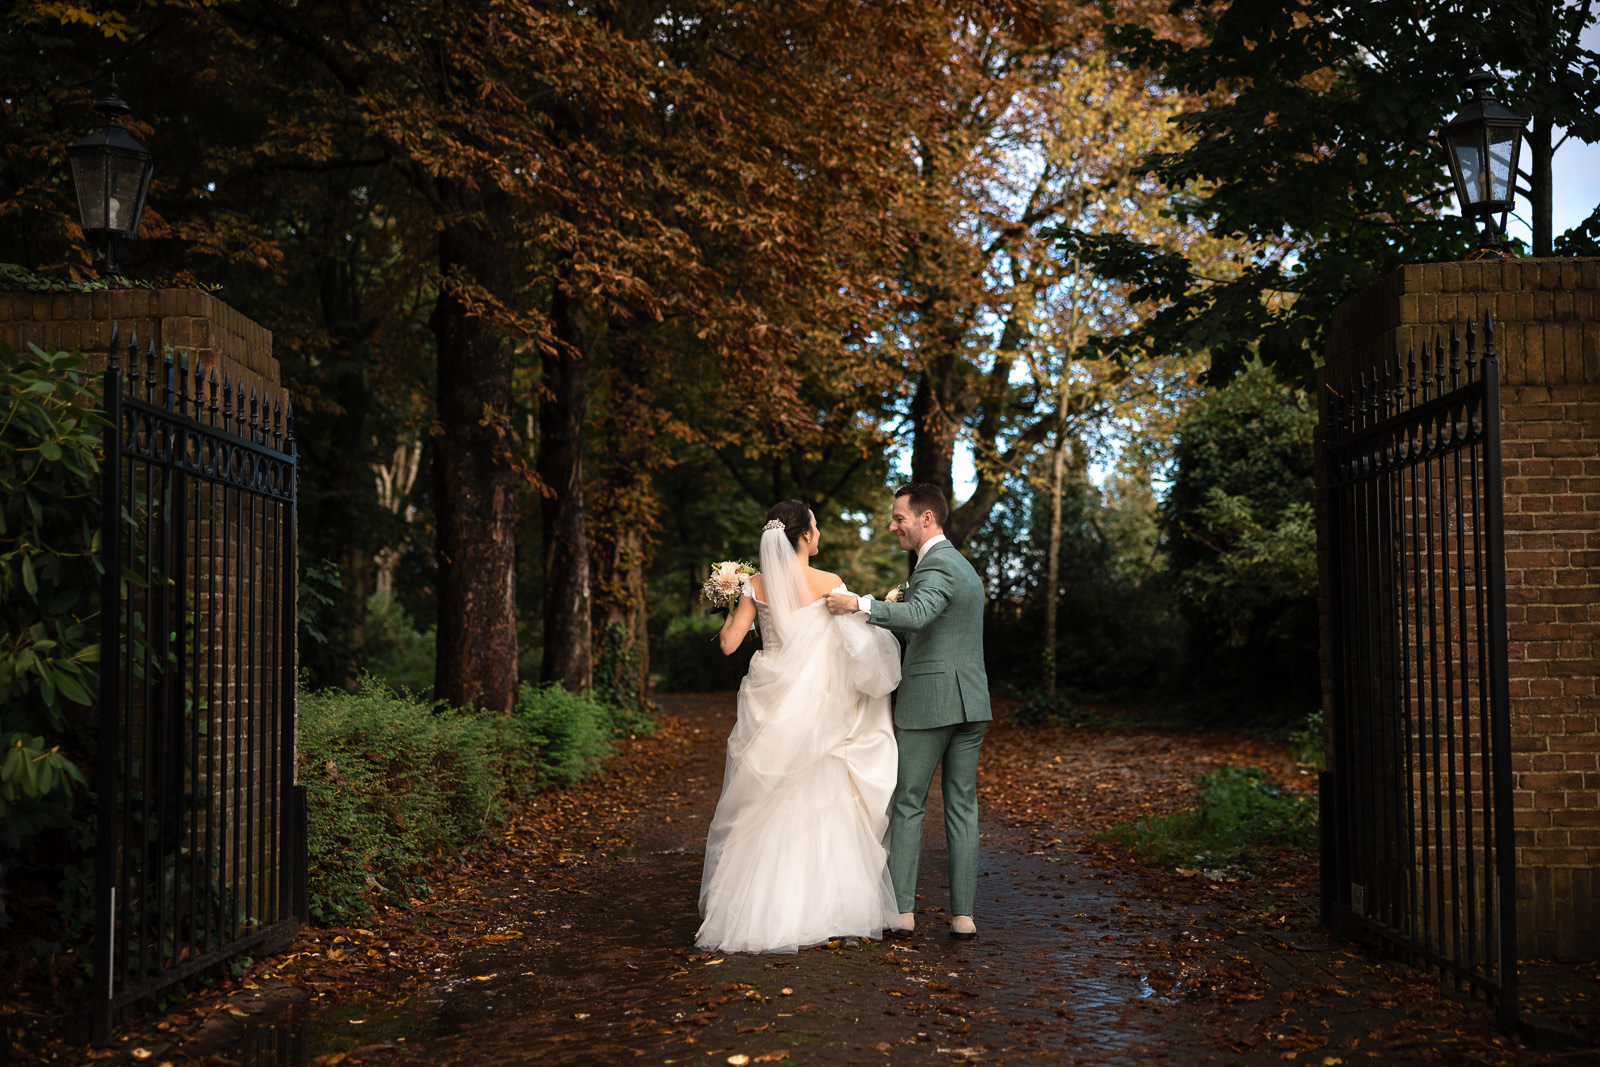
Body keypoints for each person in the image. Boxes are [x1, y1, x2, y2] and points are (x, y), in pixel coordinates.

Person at [696, 500, 903, 953]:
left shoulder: (755, 584)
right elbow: (860, 649)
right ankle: (825, 906)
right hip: (821, 708)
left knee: (762, 803)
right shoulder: (829, 584)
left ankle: (751, 912)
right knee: (822, 795)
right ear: (806, 535)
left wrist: (733, 598)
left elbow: (730, 644)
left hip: (770, 703)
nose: (819, 530)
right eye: (817, 524)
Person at [827, 484, 991, 941]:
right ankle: (963, 916)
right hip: (972, 703)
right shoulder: (964, 566)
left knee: (909, 804)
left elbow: (918, 615)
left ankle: (901, 911)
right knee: (962, 806)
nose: (892, 525)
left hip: (932, 704)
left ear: (927, 519)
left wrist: (858, 604)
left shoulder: (936, 563)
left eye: (899, 517)